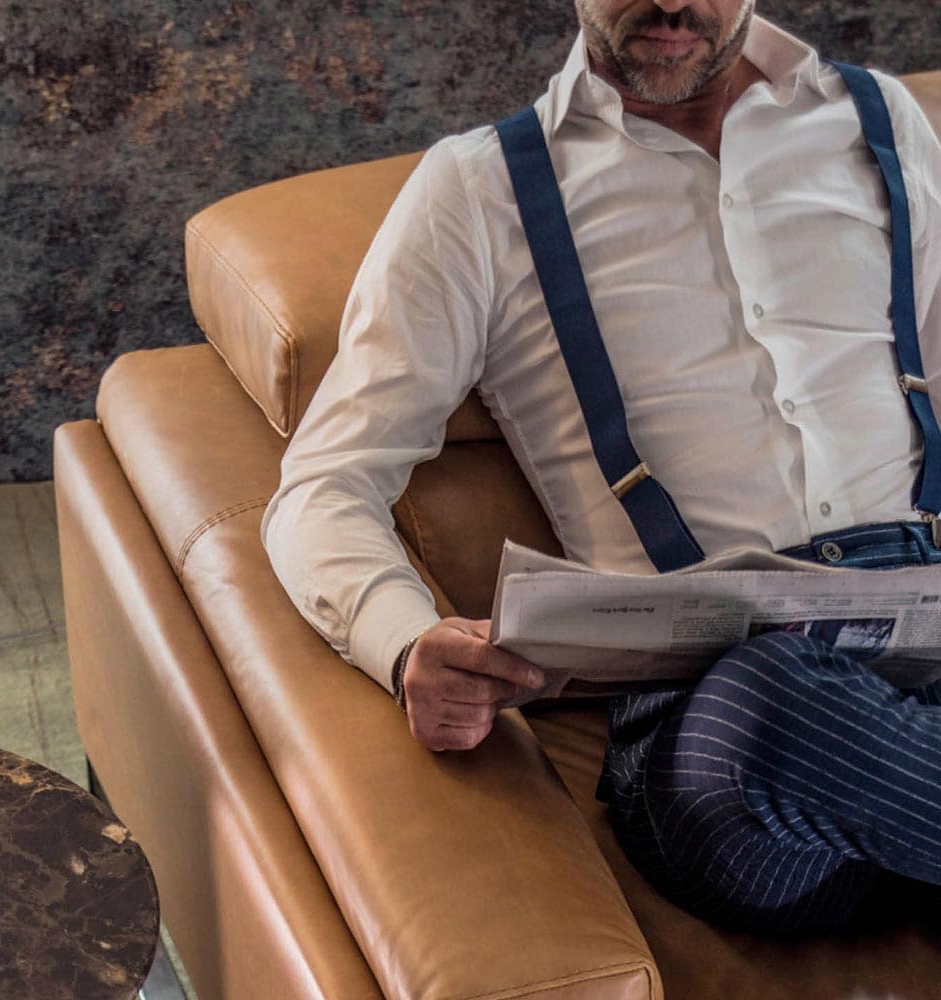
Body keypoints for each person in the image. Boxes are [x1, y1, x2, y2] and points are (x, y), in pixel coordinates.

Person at [264, 0, 941, 933]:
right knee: (775, 697)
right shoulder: (481, 190)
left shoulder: (879, 119)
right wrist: (403, 640)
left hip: (921, 631)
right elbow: (325, 481)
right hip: (725, 739)